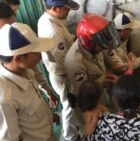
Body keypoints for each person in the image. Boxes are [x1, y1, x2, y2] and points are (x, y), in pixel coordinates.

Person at [0, 24, 56, 141]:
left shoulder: (27, 71)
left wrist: (49, 116)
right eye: (36, 53)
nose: (40, 57)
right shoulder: (5, 98)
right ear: (19, 59)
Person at [0, 2, 59, 108]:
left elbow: (33, 71)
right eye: (3, 28)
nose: (10, 30)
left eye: (13, 24)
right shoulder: (5, 97)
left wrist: (48, 91)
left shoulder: (16, 41)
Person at [37, 0, 80, 140]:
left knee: (72, 105)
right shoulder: (52, 31)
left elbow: (66, 41)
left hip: (62, 73)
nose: (69, 11)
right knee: (70, 106)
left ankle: (74, 130)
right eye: (66, 9)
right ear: (55, 8)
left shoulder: (51, 20)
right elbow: (64, 61)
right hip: (63, 75)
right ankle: (70, 137)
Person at [88, 74, 140, 140]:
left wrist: (95, 116)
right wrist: (123, 85)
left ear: (115, 99)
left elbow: (89, 135)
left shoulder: (104, 123)